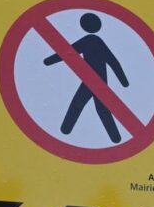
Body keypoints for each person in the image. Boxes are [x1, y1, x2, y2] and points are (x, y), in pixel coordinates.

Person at [43, 13, 129, 144]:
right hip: (95, 81)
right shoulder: (94, 41)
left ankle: (66, 129)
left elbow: (67, 52)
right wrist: (123, 81)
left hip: (93, 81)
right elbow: (113, 62)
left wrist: (48, 61)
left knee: (80, 104)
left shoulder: (89, 40)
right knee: (98, 108)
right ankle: (115, 137)